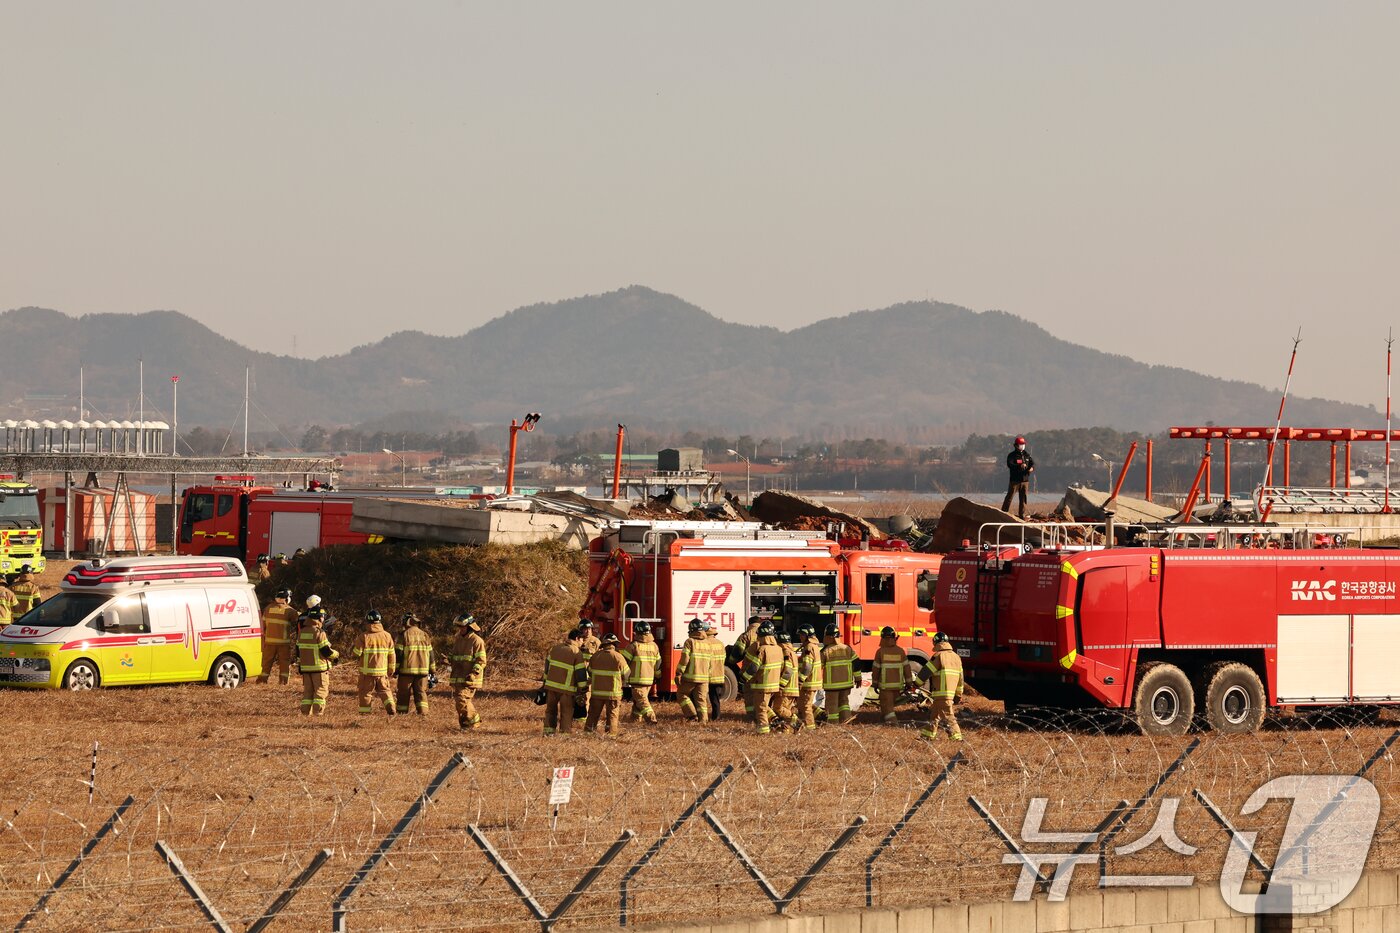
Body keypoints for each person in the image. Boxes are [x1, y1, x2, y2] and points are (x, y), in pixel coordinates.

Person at [917, 632, 965, 741]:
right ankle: (927, 736)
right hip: (950, 693)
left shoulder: (938, 656)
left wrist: (916, 684)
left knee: (948, 715)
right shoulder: (956, 657)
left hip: (941, 693)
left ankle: (957, 738)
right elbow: (960, 678)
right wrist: (958, 694)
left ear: (935, 642)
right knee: (934, 715)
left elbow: (926, 672)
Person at [542, 629, 587, 735]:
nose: (582, 643)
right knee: (566, 713)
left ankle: (548, 733)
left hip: (551, 687)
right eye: (582, 640)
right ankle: (564, 735)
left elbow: (547, 666)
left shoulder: (555, 648)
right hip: (566, 690)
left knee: (550, 711)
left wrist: (545, 681)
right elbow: (580, 673)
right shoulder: (576, 652)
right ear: (576, 638)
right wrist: (583, 688)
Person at [585, 633, 631, 735]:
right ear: (614, 644)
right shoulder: (619, 657)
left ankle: (588, 734)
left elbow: (590, 672)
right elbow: (627, 674)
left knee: (593, 715)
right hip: (613, 694)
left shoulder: (595, 656)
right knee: (612, 716)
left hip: (597, 693)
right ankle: (611, 736)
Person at [353, 610, 397, 716]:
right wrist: (391, 669)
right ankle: (391, 707)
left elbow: (357, 653)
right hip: (382, 672)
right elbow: (392, 654)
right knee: (385, 691)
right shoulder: (387, 636)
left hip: (367, 673)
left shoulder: (363, 637)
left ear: (367, 622)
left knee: (365, 693)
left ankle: (365, 714)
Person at [296, 607, 337, 716]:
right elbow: (326, 651)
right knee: (320, 691)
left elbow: (298, 651)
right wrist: (335, 655)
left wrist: (300, 665)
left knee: (308, 692)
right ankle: (318, 714)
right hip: (319, 669)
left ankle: (305, 712)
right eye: (323, 617)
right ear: (319, 618)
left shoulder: (302, 632)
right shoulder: (319, 632)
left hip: (305, 668)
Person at [449, 613, 488, 729]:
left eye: (463, 627)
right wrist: (448, 660)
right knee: (459, 703)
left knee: (462, 700)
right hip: (458, 677)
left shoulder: (477, 641)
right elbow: (454, 656)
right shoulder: (458, 639)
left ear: (470, 627)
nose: (460, 629)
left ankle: (475, 721)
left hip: (470, 678)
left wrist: (474, 673)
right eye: (459, 627)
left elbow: (481, 661)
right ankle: (466, 725)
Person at [746, 622, 784, 735]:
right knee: (765, 705)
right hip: (774, 684)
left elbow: (754, 667)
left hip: (763, 684)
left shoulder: (762, 649)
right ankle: (777, 722)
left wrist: (744, 678)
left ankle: (763, 732)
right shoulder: (778, 649)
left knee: (761, 709)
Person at [620, 620, 661, 723]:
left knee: (642, 701)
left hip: (637, 680)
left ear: (636, 632)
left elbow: (624, 662)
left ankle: (651, 719)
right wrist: (657, 676)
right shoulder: (654, 646)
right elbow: (658, 663)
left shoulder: (634, 646)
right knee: (638, 702)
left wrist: (621, 677)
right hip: (649, 681)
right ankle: (634, 721)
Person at [395, 612, 434, 716]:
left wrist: (395, 669)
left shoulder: (404, 635)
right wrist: (432, 670)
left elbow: (399, 653)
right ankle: (423, 714)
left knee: (403, 693)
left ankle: (401, 713)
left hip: (406, 671)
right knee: (421, 693)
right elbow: (431, 654)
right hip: (422, 672)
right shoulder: (425, 635)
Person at [257, 589, 298, 685]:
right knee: (284, 663)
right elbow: (298, 619)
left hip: (269, 642)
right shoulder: (290, 611)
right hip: (283, 643)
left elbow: (263, 625)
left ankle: (262, 681)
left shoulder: (268, 608)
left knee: (266, 662)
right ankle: (283, 682)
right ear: (286, 599)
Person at [820, 623, 858, 725]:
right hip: (846, 684)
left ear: (829, 636)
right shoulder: (847, 648)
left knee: (832, 706)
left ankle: (833, 726)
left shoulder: (825, 652)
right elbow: (857, 664)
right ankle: (846, 722)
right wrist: (858, 678)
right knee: (844, 704)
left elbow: (818, 667)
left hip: (832, 686)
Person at [675, 619, 711, 723]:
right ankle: (703, 721)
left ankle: (691, 716)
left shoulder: (690, 641)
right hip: (704, 678)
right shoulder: (708, 643)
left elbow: (685, 659)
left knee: (681, 694)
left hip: (691, 677)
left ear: (691, 630)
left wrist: (679, 673)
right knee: (701, 700)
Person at [873, 626, 908, 724]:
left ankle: (893, 724)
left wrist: (875, 683)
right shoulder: (901, 651)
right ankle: (887, 722)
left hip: (885, 687)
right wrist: (909, 683)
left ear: (882, 638)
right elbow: (907, 668)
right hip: (897, 686)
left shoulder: (880, 652)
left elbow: (876, 670)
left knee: (887, 708)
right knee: (889, 706)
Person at [793, 625, 823, 731]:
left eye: (801, 635)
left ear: (806, 636)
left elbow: (807, 667)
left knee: (806, 706)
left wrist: (800, 680)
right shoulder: (812, 646)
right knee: (802, 704)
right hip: (810, 681)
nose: (800, 637)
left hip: (809, 682)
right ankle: (805, 724)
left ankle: (810, 728)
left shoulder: (809, 647)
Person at [734, 616, 763, 721]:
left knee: (750, 694)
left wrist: (731, 661)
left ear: (749, 624)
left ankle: (751, 717)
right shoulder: (769, 636)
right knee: (762, 696)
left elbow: (737, 652)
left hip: (750, 670)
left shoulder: (746, 635)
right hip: (764, 671)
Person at [1001, 436, 1036, 519]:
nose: (1022, 445)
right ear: (1016, 445)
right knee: (1009, 497)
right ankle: (1003, 513)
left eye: (1023, 444)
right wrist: (1019, 466)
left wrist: (1032, 468)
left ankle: (1022, 516)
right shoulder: (1012, 455)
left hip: (1025, 481)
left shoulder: (1027, 455)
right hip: (1015, 481)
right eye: (1021, 444)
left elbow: (1033, 464)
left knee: (1023, 499)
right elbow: (1010, 464)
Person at [575, 620, 602, 726]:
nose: (587, 631)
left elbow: (599, 659)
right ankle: (576, 716)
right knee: (575, 696)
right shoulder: (576, 641)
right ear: (580, 629)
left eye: (589, 629)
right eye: (585, 629)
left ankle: (582, 719)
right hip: (576, 674)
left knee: (586, 697)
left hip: (588, 676)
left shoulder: (596, 642)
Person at [775, 632, 800, 731]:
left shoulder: (785, 652)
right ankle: (787, 730)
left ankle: (795, 720)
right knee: (786, 709)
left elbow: (788, 671)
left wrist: (781, 685)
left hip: (787, 688)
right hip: (792, 687)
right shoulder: (791, 651)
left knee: (779, 708)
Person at [705, 620, 727, 720]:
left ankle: (707, 717)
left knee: (703, 698)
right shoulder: (720, 643)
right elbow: (724, 658)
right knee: (715, 699)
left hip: (709, 675)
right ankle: (716, 717)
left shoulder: (706, 643)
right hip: (719, 675)